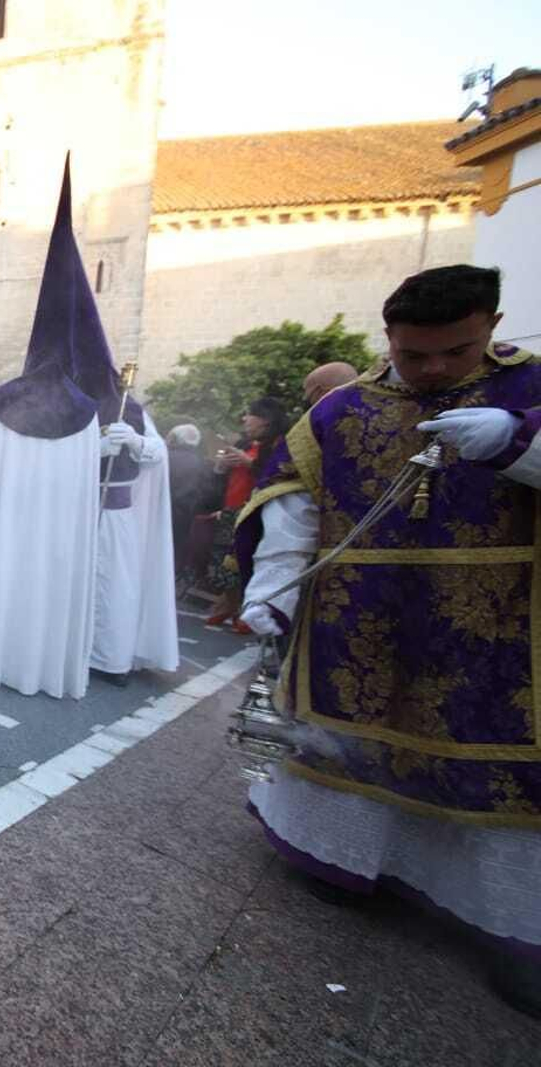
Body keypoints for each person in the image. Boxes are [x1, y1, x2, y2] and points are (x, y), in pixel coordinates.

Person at [236, 264, 541, 1016]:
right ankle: (339, 857)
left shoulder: (528, 393)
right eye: (415, 356)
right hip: (359, 611)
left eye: (455, 352)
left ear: (491, 327)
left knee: (498, 761)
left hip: (499, 618)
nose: (435, 370)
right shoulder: (342, 412)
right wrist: (268, 589)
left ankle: (508, 921)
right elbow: (294, 503)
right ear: (389, 341)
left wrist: (516, 444)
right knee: (347, 741)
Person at [0, 158, 175, 695]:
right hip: (50, 522)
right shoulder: (14, 406)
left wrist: (131, 442)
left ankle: (106, 657)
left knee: (107, 587)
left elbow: (157, 457)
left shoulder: (126, 404)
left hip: (110, 517)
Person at [205, 397, 290, 629]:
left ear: (265, 420)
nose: (244, 419)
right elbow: (220, 479)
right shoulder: (244, 443)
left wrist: (248, 463)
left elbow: (278, 478)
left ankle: (244, 609)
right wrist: (220, 466)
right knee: (224, 564)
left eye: (249, 414)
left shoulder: (281, 445)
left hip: (256, 513)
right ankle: (230, 603)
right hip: (230, 510)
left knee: (246, 563)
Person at [165, 424, 217, 585]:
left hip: (156, 513)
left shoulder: (164, 457)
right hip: (185, 519)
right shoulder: (204, 464)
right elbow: (209, 495)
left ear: (173, 438)